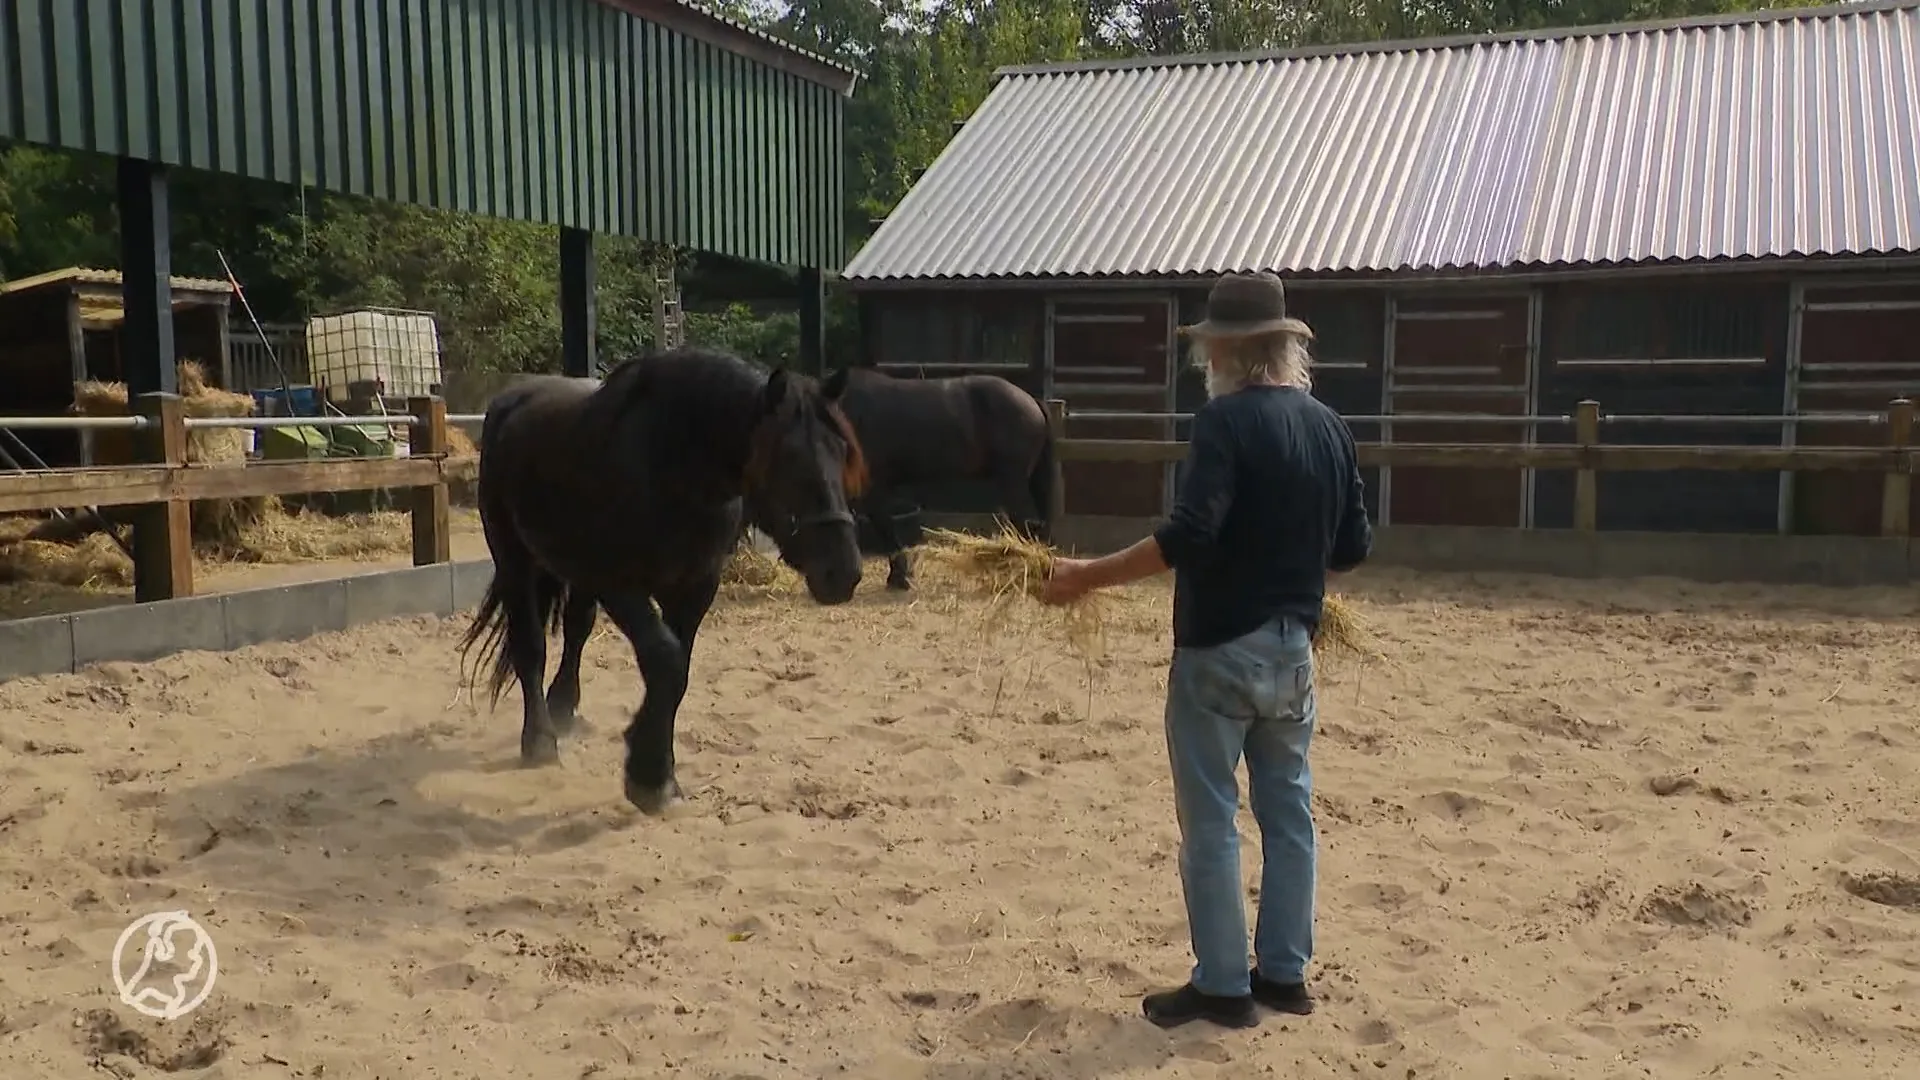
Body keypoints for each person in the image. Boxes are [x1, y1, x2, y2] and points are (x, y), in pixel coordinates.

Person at [1038, 270, 1372, 1030]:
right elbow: (1352, 546)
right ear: (1286, 349)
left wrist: (1087, 577)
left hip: (1219, 650)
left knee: (1213, 819)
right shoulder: (1329, 426)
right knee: (1289, 813)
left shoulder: (1222, 423)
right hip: (1295, 650)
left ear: (1221, 351)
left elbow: (1191, 534)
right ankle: (1284, 975)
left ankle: (1223, 986)